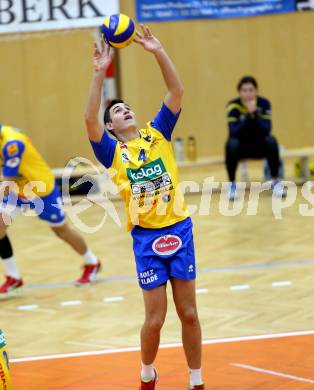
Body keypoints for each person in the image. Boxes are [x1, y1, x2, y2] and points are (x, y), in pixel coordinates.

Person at [85, 25, 205, 390]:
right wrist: (98, 74)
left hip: (178, 229)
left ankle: (196, 380)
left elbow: (176, 91)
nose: (125, 111)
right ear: (112, 126)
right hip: (146, 238)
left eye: (127, 107)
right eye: (118, 111)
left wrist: (157, 50)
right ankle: (146, 372)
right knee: (155, 320)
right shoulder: (112, 152)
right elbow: (90, 121)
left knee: (188, 313)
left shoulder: (158, 133)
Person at [0, 124, 101, 294]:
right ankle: (13, 277)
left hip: (41, 191)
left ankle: (92, 262)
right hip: (17, 188)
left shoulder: (12, 143)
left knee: (61, 230)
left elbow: (7, 180)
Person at [225, 75, 285, 200]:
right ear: (240, 92)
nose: (248, 94)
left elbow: (266, 129)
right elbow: (234, 132)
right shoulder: (233, 106)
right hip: (241, 148)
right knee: (231, 144)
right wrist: (248, 115)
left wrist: (255, 114)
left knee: (272, 141)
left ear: (256, 91)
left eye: (251, 90)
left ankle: (276, 181)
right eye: (244, 90)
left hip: (258, 147)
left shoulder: (264, 104)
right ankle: (232, 185)